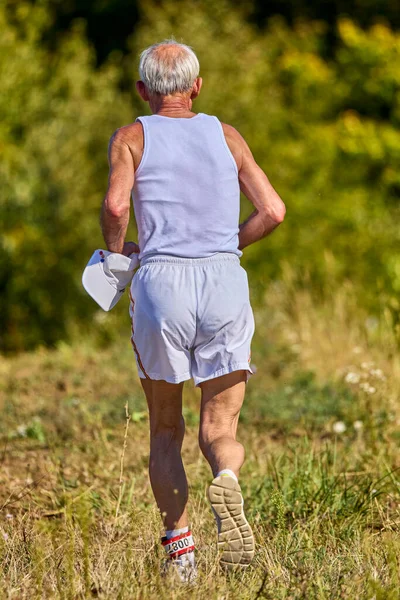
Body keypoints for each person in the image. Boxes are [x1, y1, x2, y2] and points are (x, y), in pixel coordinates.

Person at [100, 39, 286, 582]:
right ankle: (227, 474)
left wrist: (116, 253)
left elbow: (116, 205)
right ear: (196, 87)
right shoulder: (226, 136)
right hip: (224, 278)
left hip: (163, 284)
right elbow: (273, 210)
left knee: (165, 428)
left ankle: (181, 556)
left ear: (142, 91)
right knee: (219, 426)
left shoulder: (132, 136)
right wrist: (226, 243)